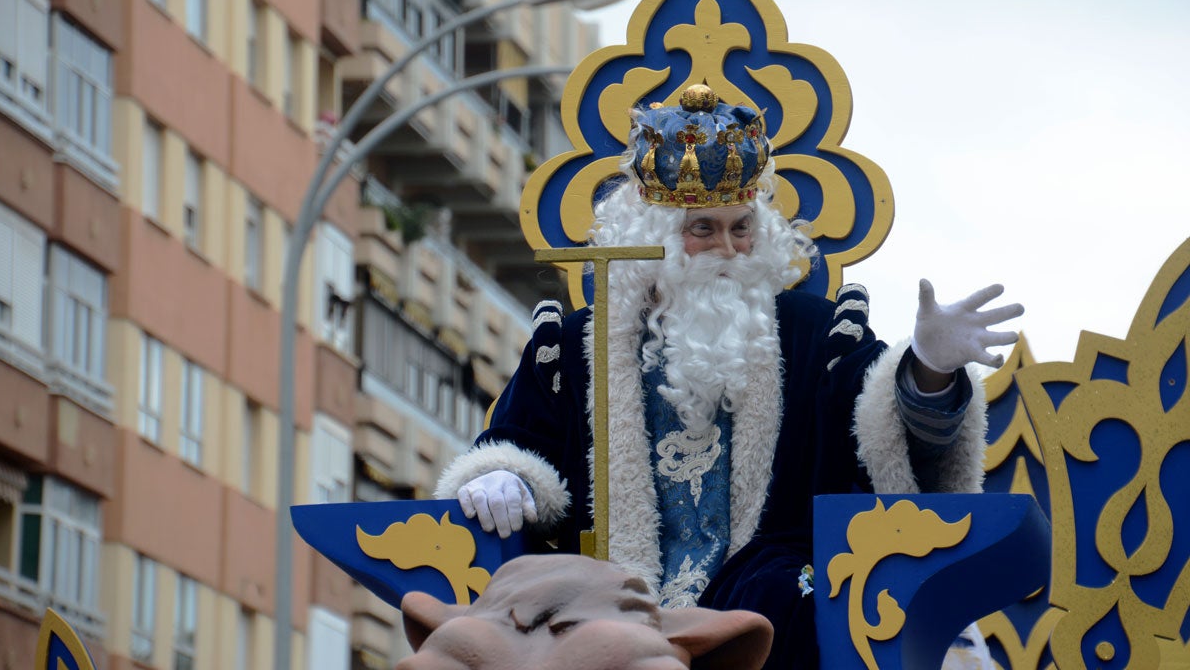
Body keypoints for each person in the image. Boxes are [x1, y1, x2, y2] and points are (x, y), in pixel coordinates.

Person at [434, 84, 1022, 668]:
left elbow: (884, 441)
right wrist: (506, 478)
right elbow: (521, 444)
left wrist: (929, 370)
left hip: (768, 603)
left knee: (783, 591)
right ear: (653, 240)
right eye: (704, 230)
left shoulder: (814, 337)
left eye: (741, 228)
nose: (729, 250)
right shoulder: (576, 349)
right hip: (611, 608)